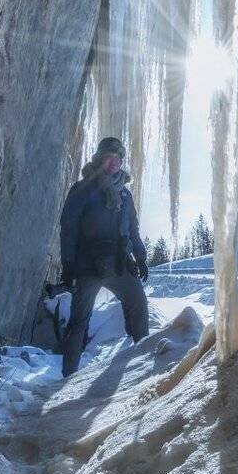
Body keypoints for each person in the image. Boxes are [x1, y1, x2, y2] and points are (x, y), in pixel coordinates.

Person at [58, 136, 150, 376]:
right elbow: (68, 228)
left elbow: (132, 228)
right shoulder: (83, 189)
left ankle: (143, 365)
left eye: (118, 158)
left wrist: (140, 257)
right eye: (109, 157)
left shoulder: (126, 195)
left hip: (119, 262)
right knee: (79, 320)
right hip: (88, 265)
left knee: (138, 303)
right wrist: (68, 265)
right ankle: (68, 376)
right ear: (100, 159)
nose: (114, 162)